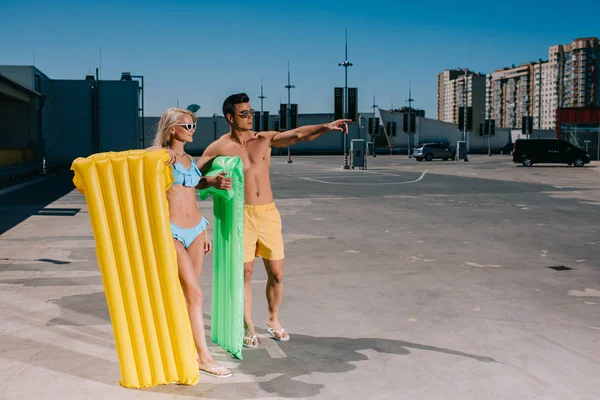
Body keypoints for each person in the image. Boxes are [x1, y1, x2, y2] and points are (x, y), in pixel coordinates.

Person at [196, 93, 350, 348]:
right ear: (230, 117)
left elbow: (298, 134)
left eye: (250, 112)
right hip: (240, 216)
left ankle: (273, 320)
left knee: (276, 274)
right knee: (245, 273)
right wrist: (211, 182)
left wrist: (325, 127)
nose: (249, 117)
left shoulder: (264, 139)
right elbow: (194, 178)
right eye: (243, 113)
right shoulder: (218, 147)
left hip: (268, 214)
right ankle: (248, 325)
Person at [148, 107, 233, 377]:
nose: (193, 130)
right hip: (171, 231)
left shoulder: (188, 157)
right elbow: (138, 160)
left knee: (189, 295)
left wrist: (211, 182)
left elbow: (193, 187)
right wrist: (159, 156)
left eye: (194, 125)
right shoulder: (158, 156)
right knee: (195, 293)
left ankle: (189, 349)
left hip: (196, 229)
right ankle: (204, 357)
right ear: (172, 129)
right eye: (188, 126)